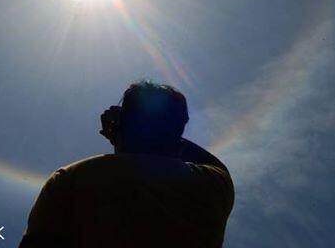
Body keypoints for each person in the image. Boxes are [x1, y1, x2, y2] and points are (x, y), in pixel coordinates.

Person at [19, 80, 234, 248]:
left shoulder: (71, 179)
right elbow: (212, 163)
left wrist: (122, 134)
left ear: (123, 125)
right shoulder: (212, 187)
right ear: (179, 129)